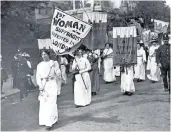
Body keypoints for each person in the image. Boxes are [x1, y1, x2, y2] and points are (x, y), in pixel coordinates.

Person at [36, 49, 61, 130]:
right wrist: (40, 85)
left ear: (48, 54)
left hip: (52, 84)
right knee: (44, 102)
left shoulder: (54, 63)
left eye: (45, 54)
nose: (44, 56)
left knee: (51, 102)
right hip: (43, 85)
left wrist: (56, 69)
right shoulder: (39, 65)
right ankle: (45, 120)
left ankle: (50, 122)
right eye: (42, 54)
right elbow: (38, 76)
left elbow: (58, 74)